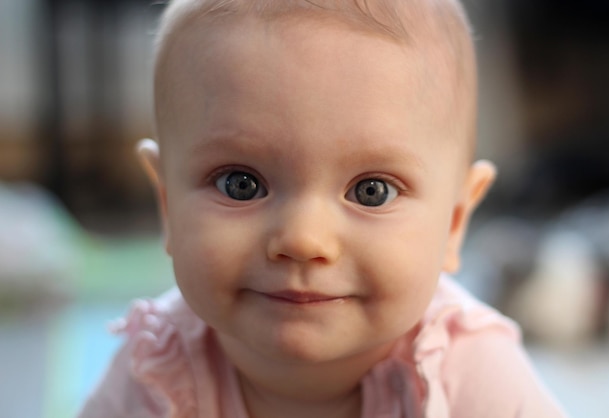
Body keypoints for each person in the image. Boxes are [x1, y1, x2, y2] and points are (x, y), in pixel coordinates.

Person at [79, 0, 567, 417]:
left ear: (455, 222)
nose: (302, 239)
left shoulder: (472, 374)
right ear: (167, 203)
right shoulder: (154, 371)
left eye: (372, 190)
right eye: (241, 184)